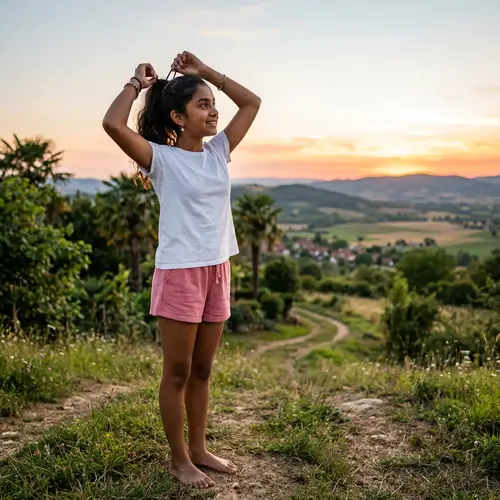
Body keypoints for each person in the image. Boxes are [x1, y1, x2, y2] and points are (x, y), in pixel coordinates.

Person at [102, 51, 261, 489]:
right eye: (203, 104)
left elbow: (252, 103)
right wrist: (137, 84)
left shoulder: (218, 152)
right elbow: (113, 125)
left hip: (216, 270)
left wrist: (205, 72)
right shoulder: (160, 159)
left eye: (212, 104)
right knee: (177, 371)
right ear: (178, 116)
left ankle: (198, 449)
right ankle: (178, 459)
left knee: (204, 369)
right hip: (179, 274)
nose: (214, 111)